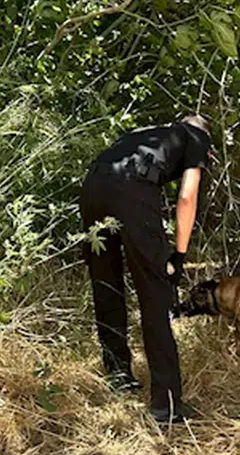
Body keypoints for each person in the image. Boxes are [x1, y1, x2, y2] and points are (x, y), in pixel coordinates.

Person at [79, 113, 212, 425]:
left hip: (93, 185)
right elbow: (188, 196)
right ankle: (166, 406)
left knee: (106, 282)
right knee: (155, 292)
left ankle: (118, 375)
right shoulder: (196, 137)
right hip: (132, 187)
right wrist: (179, 255)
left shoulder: (148, 133)